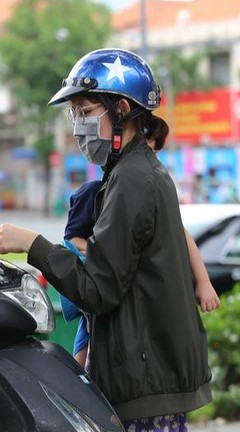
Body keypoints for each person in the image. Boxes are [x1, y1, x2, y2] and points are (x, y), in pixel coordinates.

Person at [0, 48, 212, 432]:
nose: (78, 126)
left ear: (123, 109)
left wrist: (35, 244)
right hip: (144, 374)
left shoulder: (133, 179)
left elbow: (99, 289)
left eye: (86, 110)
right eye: (74, 114)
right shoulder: (130, 173)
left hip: (145, 382)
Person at [62, 136, 220, 370]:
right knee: (86, 344)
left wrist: (203, 281)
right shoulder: (97, 192)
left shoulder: (151, 195)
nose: (149, 163)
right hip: (100, 290)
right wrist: (100, 250)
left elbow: (183, 236)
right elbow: (71, 239)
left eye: (153, 155)